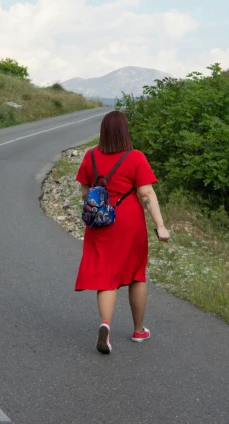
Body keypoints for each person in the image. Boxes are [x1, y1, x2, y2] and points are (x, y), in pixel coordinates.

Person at [75, 110, 169, 354]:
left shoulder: (90, 155)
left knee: (106, 275)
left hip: (101, 222)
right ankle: (138, 331)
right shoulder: (135, 157)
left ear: (103, 131)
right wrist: (160, 225)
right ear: (125, 131)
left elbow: (85, 192)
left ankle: (106, 324)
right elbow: (146, 194)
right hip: (129, 221)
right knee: (136, 274)